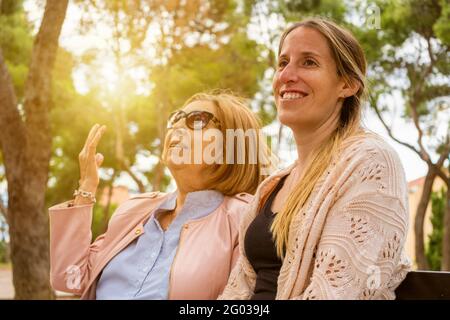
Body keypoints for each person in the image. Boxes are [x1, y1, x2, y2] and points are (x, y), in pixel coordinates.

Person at [219, 18, 411, 300]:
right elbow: (237, 292)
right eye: (283, 62)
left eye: (308, 62)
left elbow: (333, 294)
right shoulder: (273, 185)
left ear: (347, 85)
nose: (286, 75)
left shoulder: (370, 162)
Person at [49, 92, 275, 299]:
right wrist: (86, 189)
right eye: (175, 119)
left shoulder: (244, 219)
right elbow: (70, 279)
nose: (177, 128)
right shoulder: (132, 211)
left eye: (197, 121)